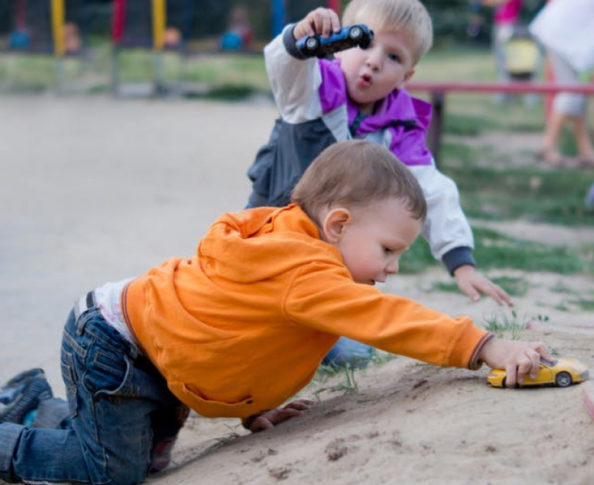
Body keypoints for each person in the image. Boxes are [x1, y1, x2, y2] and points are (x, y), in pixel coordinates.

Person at [0, 140, 551, 484]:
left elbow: (231, 327)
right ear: (337, 225)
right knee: (111, 473)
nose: (393, 268)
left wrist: (251, 404)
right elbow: (390, 321)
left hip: (152, 351)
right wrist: (484, 346)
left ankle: (34, 404)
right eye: (388, 250)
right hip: (114, 344)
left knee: (150, 461)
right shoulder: (306, 272)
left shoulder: (291, 244)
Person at [245, 0, 514, 368]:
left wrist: (460, 260)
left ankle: (315, 335)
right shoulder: (311, 90)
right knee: (249, 307)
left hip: (332, 253)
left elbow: (430, 190)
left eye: (394, 57)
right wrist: (300, 36)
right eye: (364, 43)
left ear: (407, 76)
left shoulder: (399, 129)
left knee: (352, 352)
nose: (373, 61)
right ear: (340, 43)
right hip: (272, 232)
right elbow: (283, 65)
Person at [529, 0, 594, 168]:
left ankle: (586, 151)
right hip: (562, 38)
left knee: (578, 96)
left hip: (560, 34)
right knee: (572, 94)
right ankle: (547, 145)